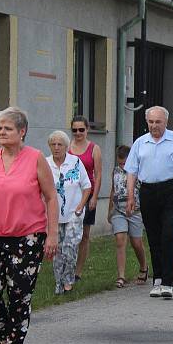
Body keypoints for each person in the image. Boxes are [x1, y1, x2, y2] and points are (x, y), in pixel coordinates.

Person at [0, 107, 58, 344]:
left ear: (22, 132)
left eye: (8, 128)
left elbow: (51, 197)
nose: (2, 132)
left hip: (27, 237)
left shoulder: (35, 158)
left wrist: (52, 234)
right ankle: (5, 336)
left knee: (19, 293)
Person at [125, 106, 173, 299]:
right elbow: (131, 171)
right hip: (148, 190)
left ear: (165, 122)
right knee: (154, 236)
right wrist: (131, 196)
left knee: (169, 235)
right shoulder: (141, 143)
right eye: (151, 122)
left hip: (171, 190)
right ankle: (157, 279)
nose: (154, 126)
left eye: (158, 122)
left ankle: (167, 280)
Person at [46, 131, 90, 294]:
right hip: (54, 215)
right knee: (56, 250)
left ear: (66, 147)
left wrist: (81, 205)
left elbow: (87, 186)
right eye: (53, 144)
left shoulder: (75, 162)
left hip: (73, 213)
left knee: (70, 247)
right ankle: (58, 283)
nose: (56, 148)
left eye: (60, 144)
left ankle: (68, 280)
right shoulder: (45, 163)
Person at [107, 145, 149, 287]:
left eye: (125, 163)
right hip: (119, 211)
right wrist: (110, 210)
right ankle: (121, 276)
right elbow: (113, 190)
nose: (122, 165)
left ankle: (144, 267)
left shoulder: (138, 172)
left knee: (136, 243)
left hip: (135, 211)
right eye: (120, 163)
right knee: (120, 239)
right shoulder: (116, 171)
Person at [68, 116, 102, 282]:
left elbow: (98, 174)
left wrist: (95, 196)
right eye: (75, 130)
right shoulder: (67, 147)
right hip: (69, 196)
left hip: (87, 194)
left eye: (81, 129)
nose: (78, 133)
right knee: (69, 233)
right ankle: (67, 265)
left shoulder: (94, 148)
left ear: (87, 129)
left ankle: (78, 272)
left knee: (84, 234)